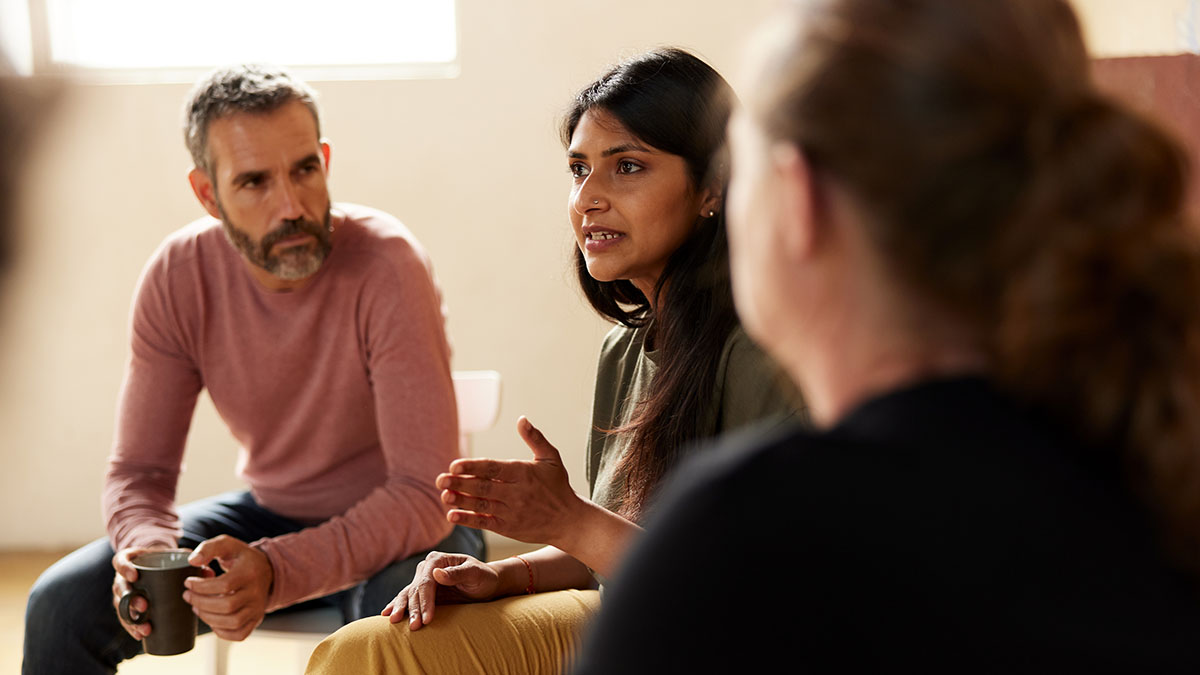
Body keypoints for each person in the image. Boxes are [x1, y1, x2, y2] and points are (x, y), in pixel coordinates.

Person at [575, 0, 1200, 672]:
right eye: (577, 168)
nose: (587, 197)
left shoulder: (737, 540)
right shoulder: (1154, 486)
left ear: (797, 197)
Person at [305, 48, 805, 674]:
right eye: (578, 169)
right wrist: (501, 573)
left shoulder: (766, 352)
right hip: (633, 622)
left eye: (627, 166)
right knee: (372, 649)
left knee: (377, 655)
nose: (587, 199)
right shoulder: (624, 352)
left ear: (712, 187)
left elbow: (752, 593)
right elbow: (610, 550)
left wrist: (568, 518)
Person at [22, 64, 484, 675]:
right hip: (270, 513)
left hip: (413, 532)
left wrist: (277, 569)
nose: (290, 206)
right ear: (208, 194)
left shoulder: (387, 265)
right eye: (254, 182)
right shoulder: (179, 277)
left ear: (325, 159)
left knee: (399, 624)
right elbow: (141, 472)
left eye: (303, 170)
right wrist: (146, 552)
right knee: (60, 605)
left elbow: (423, 495)